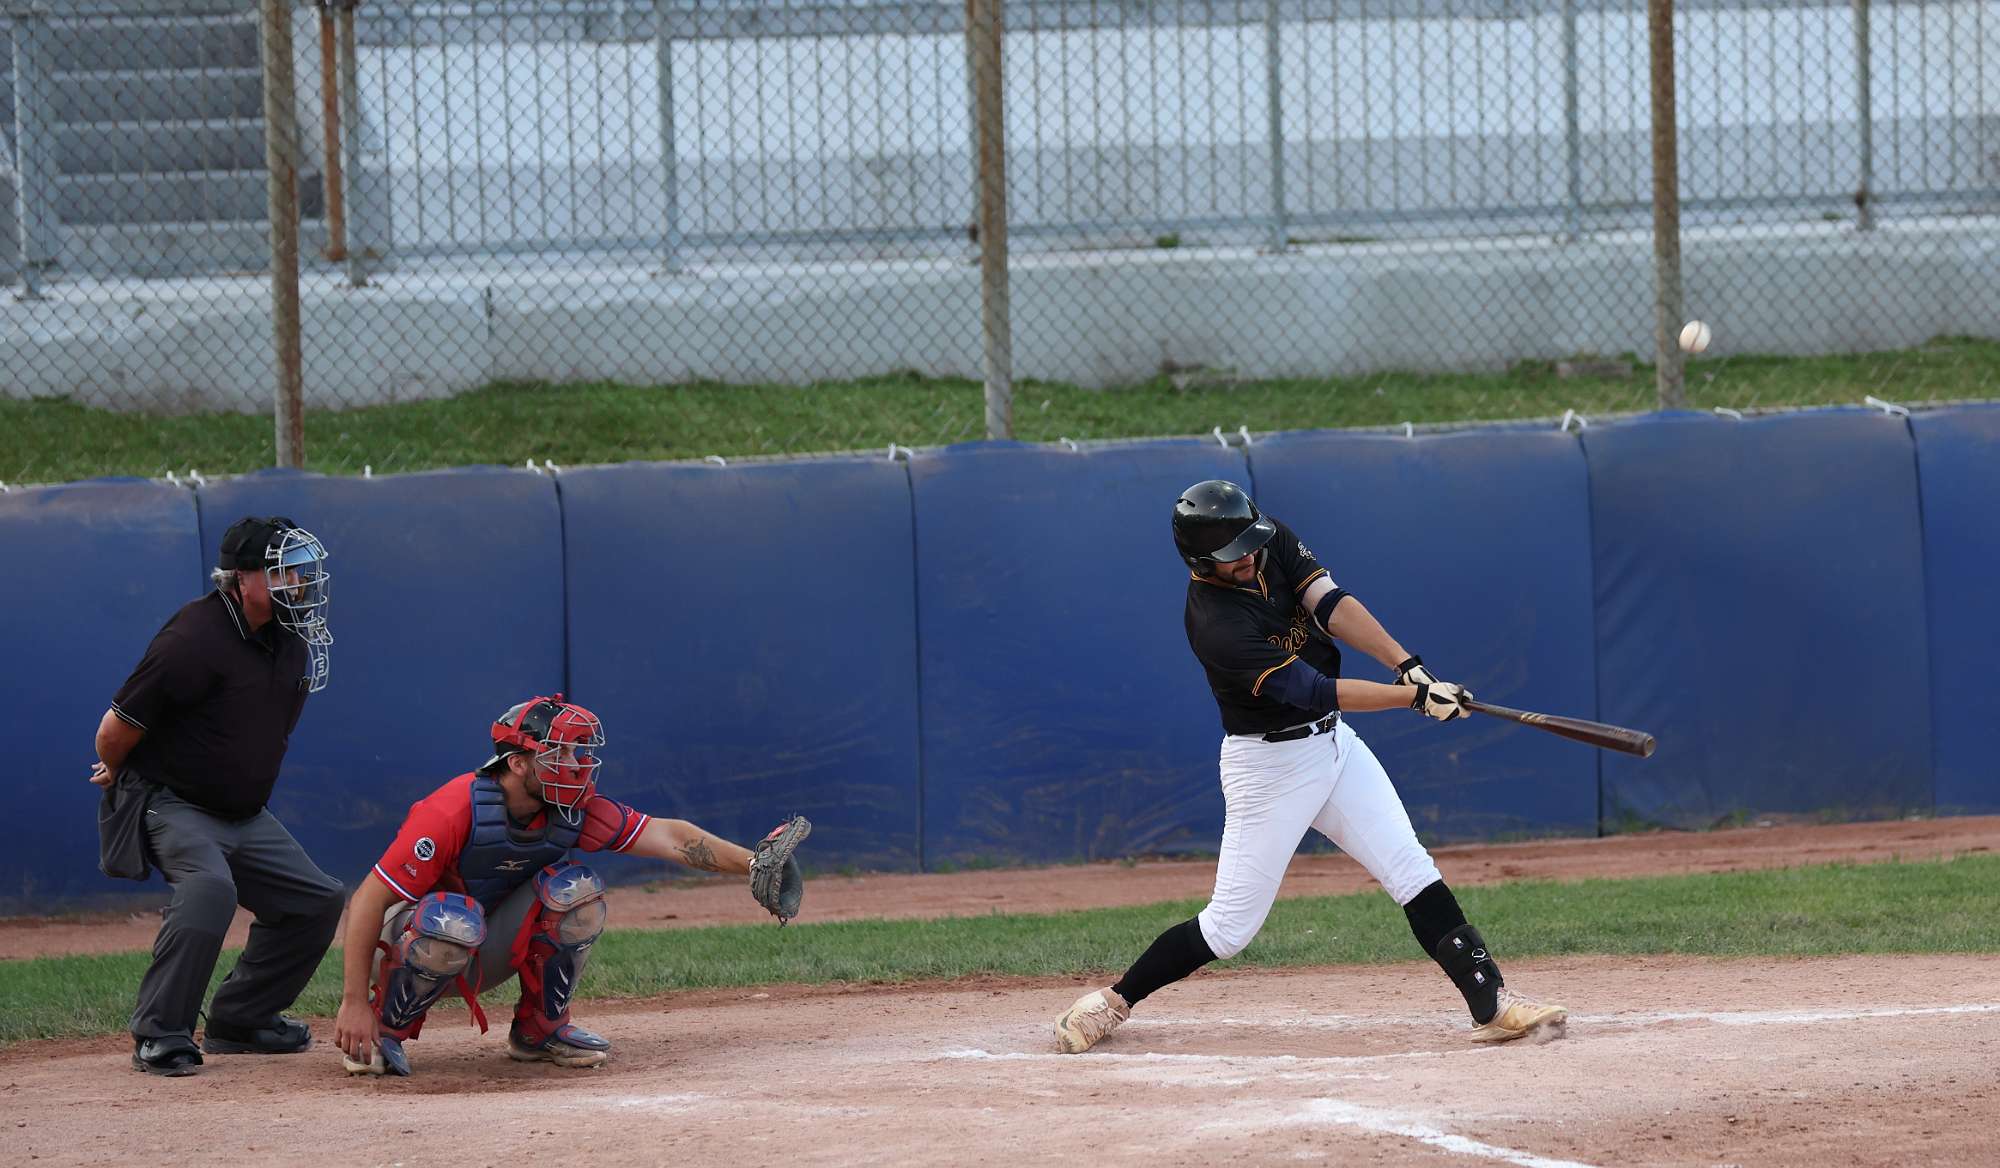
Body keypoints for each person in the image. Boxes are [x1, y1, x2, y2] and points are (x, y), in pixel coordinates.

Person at [1053, 480, 1566, 1053]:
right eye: (1232, 555)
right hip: (1269, 767)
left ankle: (1492, 1006)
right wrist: (1414, 700)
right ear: (1200, 562)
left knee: (1411, 868)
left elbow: (1331, 604)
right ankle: (1112, 1001)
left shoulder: (1265, 538)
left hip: (1335, 746)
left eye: (1250, 545)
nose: (1248, 557)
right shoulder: (1215, 625)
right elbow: (1315, 689)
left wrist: (1409, 668)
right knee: (1228, 928)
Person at [332, 694, 810, 1076]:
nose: (575, 764)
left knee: (575, 890)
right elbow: (369, 898)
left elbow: (671, 836)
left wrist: (752, 864)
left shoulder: (572, 808)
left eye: (578, 751)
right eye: (558, 753)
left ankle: (539, 1030)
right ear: (518, 763)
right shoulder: (453, 809)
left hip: (482, 945)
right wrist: (353, 1001)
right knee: (453, 920)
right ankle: (383, 1029)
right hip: (412, 942)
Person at [89, 515, 345, 1076]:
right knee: (209, 889)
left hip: (243, 813)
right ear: (241, 578)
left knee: (317, 900)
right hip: (173, 801)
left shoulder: (291, 640)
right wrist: (117, 769)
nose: (298, 583)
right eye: (282, 572)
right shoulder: (192, 638)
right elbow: (115, 728)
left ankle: (241, 1019)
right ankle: (160, 1032)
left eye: (300, 571)